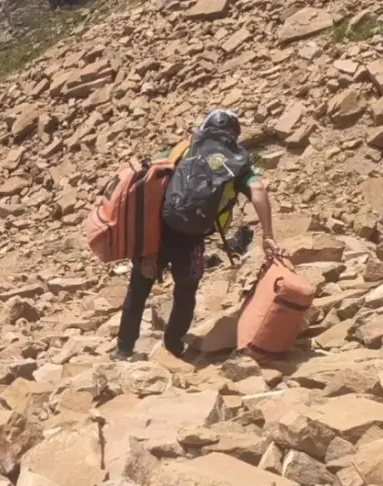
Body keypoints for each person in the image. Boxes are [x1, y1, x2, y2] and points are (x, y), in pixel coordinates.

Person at [114, 108, 281, 361]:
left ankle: (123, 350)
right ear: (234, 136)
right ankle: (173, 350)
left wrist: (146, 248)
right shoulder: (236, 162)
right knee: (185, 294)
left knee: (138, 290)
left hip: (158, 231)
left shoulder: (183, 150)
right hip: (192, 237)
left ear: (204, 127)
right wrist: (268, 235)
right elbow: (257, 189)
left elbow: (147, 189)